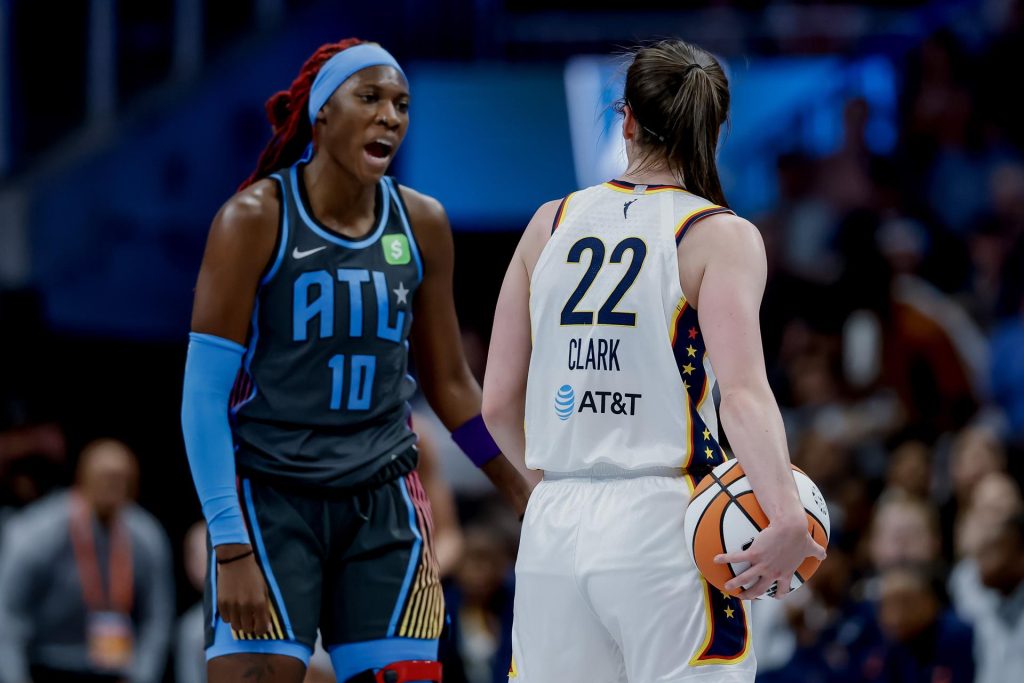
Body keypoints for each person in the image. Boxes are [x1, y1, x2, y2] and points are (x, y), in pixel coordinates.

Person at [180, 39, 531, 683]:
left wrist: (520, 489)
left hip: (384, 502)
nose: (390, 116)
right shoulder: (253, 219)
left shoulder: (420, 222)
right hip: (272, 500)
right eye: (368, 98)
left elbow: (449, 382)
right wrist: (230, 546)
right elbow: (202, 399)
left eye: (401, 104)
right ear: (320, 114)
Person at [482, 39, 825, 682]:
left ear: (627, 118)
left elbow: (496, 402)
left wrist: (553, 495)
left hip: (554, 523)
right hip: (666, 523)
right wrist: (783, 514)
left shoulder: (548, 223)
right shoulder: (717, 234)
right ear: (716, 129)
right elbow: (743, 395)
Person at [0, 439, 174, 683]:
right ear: (82, 478)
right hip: (48, 664)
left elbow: (157, 617)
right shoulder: (37, 533)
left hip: (117, 669)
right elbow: (10, 616)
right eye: (105, 476)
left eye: (122, 478)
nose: (113, 485)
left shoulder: (146, 536)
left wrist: (143, 675)